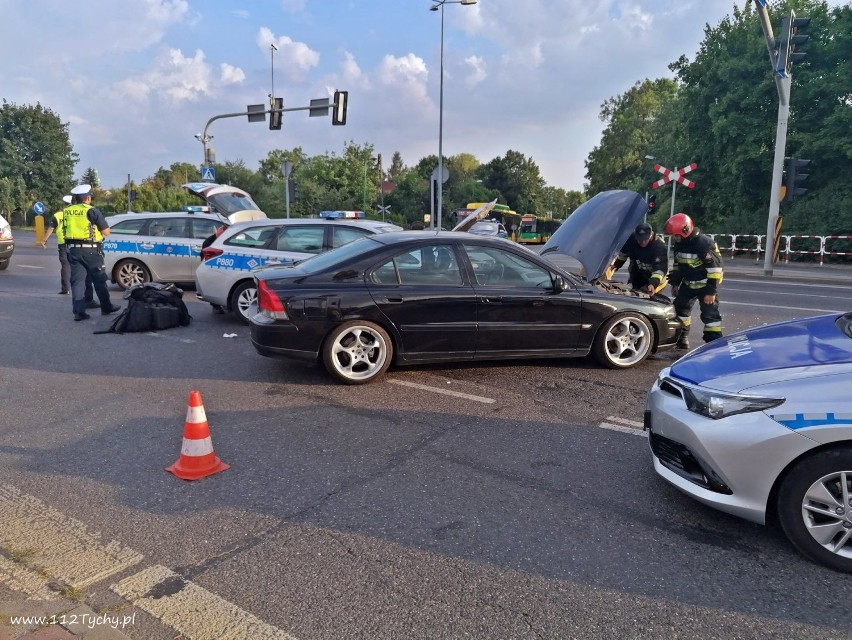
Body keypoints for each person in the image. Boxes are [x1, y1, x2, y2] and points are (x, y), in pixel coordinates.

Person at [665, 212, 723, 349]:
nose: (674, 238)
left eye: (675, 235)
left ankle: (714, 345)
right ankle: (681, 339)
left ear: (684, 230)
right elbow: (679, 265)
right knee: (680, 312)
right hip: (688, 284)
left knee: (710, 317)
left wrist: (711, 292)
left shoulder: (703, 243)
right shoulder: (681, 244)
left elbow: (715, 269)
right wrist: (675, 283)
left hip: (705, 286)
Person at [62, 184, 121, 321]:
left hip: (73, 250)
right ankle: (106, 307)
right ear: (88, 198)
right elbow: (106, 232)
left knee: (77, 282)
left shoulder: (67, 211)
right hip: (90, 250)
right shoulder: (92, 211)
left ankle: (79, 312)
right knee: (99, 279)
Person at [42, 195, 98, 308]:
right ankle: (86, 296)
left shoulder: (58, 215)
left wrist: (44, 240)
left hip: (63, 243)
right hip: (78, 243)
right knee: (81, 269)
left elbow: (51, 228)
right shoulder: (79, 213)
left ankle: (66, 288)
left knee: (65, 265)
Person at [609, 222, 668, 295]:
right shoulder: (631, 239)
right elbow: (623, 255)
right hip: (641, 274)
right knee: (634, 293)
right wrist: (615, 265)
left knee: (647, 297)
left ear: (651, 235)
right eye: (640, 240)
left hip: (657, 279)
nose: (643, 242)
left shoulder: (659, 246)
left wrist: (653, 284)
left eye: (645, 239)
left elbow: (659, 269)